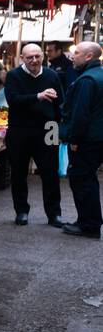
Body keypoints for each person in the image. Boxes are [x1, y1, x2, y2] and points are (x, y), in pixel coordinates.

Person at [2, 43, 62, 227]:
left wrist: (58, 128)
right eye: (30, 57)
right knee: (19, 172)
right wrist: (38, 96)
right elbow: (13, 100)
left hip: (48, 129)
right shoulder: (13, 76)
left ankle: (54, 214)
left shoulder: (52, 75)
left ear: (42, 57)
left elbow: (60, 102)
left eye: (37, 56)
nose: (34, 60)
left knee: (50, 173)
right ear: (22, 58)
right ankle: (21, 211)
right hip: (20, 129)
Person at [61, 41, 103, 239]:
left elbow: (80, 113)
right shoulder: (98, 76)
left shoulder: (87, 80)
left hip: (87, 140)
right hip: (97, 138)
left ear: (89, 56)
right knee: (88, 179)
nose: (72, 56)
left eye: (76, 53)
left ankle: (89, 225)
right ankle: (88, 221)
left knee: (82, 180)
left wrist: (74, 139)